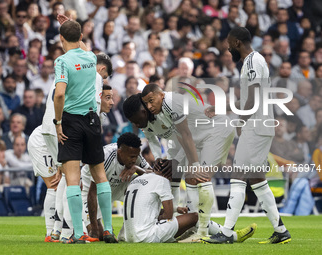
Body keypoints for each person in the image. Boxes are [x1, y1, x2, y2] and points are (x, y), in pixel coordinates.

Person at [123, 93, 256, 243]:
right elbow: (154, 140)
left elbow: (186, 136)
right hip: (194, 140)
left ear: (143, 111)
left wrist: (177, 161)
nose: (136, 125)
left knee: (200, 177)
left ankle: (202, 232)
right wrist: (159, 158)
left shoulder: (167, 107)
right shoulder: (147, 121)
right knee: (180, 176)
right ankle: (202, 230)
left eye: (136, 120)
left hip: (214, 131)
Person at [204, 26, 291, 244]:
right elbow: (248, 99)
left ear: (237, 43)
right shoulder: (255, 61)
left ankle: (226, 231)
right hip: (262, 125)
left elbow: (251, 99)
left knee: (237, 175)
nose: (227, 48)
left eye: (228, 43)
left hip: (256, 126)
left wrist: (240, 122)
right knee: (257, 179)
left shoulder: (252, 62)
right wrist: (222, 108)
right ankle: (280, 230)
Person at [53, 19, 115, 244]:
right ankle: (108, 229)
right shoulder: (90, 58)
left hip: (70, 121)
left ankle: (78, 234)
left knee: (72, 178)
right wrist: (72, 26)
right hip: (92, 121)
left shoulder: (61, 61)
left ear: (61, 39)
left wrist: (57, 121)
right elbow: (85, 47)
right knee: (100, 176)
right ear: (80, 38)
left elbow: (59, 94)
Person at [81, 132, 150, 239]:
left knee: (144, 183)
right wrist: (94, 229)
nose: (134, 160)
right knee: (99, 234)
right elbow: (93, 192)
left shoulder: (135, 154)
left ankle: (126, 231)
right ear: (120, 152)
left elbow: (153, 175)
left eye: (136, 157)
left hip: (118, 185)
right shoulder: (105, 156)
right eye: (131, 157)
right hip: (91, 190)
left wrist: (137, 168)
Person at [123, 170, 198, 243]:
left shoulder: (136, 180)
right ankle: (198, 234)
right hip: (147, 236)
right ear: (168, 173)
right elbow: (168, 215)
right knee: (194, 216)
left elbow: (145, 208)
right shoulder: (162, 180)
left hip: (128, 237)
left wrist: (176, 209)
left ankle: (182, 236)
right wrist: (159, 218)